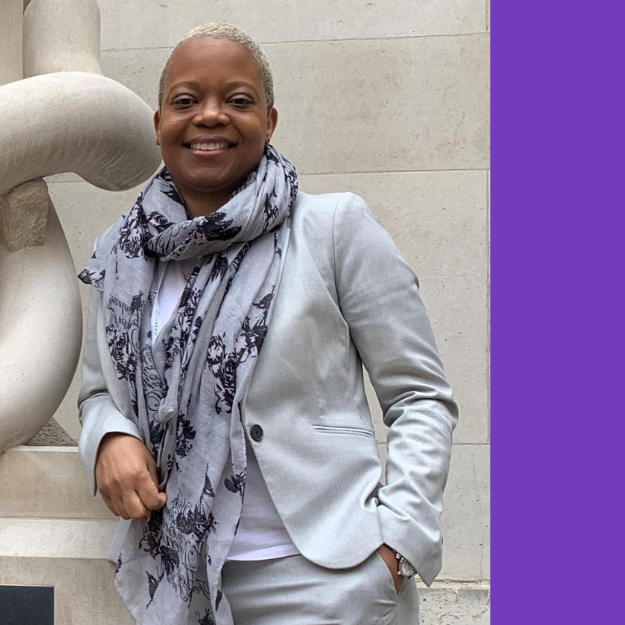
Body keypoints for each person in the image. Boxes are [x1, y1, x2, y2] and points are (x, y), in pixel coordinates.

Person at [77, 22, 457, 625]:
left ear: (270, 121)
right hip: (177, 581)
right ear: (159, 123)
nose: (209, 115)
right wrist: (109, 437)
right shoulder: (121, 255)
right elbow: (98, 392)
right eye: (186, 100)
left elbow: (419, 395)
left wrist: (399, 544)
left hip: (328, 581)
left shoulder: (332, 229)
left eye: (237, 99)